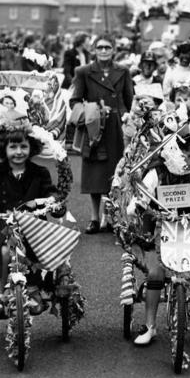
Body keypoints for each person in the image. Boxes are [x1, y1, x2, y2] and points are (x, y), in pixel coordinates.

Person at [0, 127, 64, 313]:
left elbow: (51, 192)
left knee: (32, 247)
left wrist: (53, 202)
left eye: (23, 146)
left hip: (33, 225)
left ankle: (33, 290)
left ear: (31, 148)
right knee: (3, 250)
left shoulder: (39, 173)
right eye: (13, 147)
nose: (19, 152)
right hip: (0, 224)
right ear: (4, 149)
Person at [131, 135, 190, 347]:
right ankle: (149, 326)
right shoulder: (158, 169)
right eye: (183, 155)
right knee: (155, 274)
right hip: (162, 228)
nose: (188, 160)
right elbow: (144, 192)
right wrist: (137, 205)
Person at [70, 35, 133, 234]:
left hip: (116, 127)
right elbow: (74, 101)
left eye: (107, 47)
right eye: (100, 47)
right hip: (94, 128)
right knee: (94, 174)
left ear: (114, 49)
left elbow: (129, 101)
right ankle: (94, 218)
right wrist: (92, 110)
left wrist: (126, 117)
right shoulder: (84, 72)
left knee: (114, 173)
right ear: (94, 50)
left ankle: (110, 216)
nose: (104, 51)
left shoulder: (123, 71)